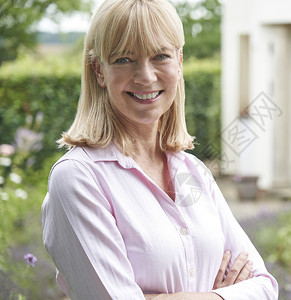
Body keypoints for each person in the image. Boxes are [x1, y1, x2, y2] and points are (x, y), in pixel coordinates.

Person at [41, 0, 278, 299]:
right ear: (98, 70)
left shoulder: (193, 171)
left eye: (160, 56)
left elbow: (265, 287)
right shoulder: (78, 178)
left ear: (179, 62)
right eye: (124, 59)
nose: (146, 76)